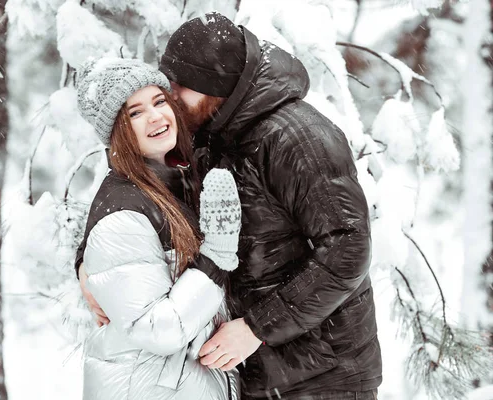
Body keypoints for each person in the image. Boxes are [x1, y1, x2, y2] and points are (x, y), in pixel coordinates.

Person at [79, 12, 382, 400]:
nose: (170, 101)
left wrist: (258, 327)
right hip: (253, 373)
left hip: (322, 375)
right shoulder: (212, 134)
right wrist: (88, 261)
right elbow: (143, 201)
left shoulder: (296, 137)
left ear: (213, 85)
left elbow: (347, 248)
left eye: (176, 88)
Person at [73, 57, 242, 400]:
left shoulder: (173, 179)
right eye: (134, 113)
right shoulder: (123, 211)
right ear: (117, 131)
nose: (155, 116)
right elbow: (158, 330)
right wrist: (216, 258)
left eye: (159, 101)